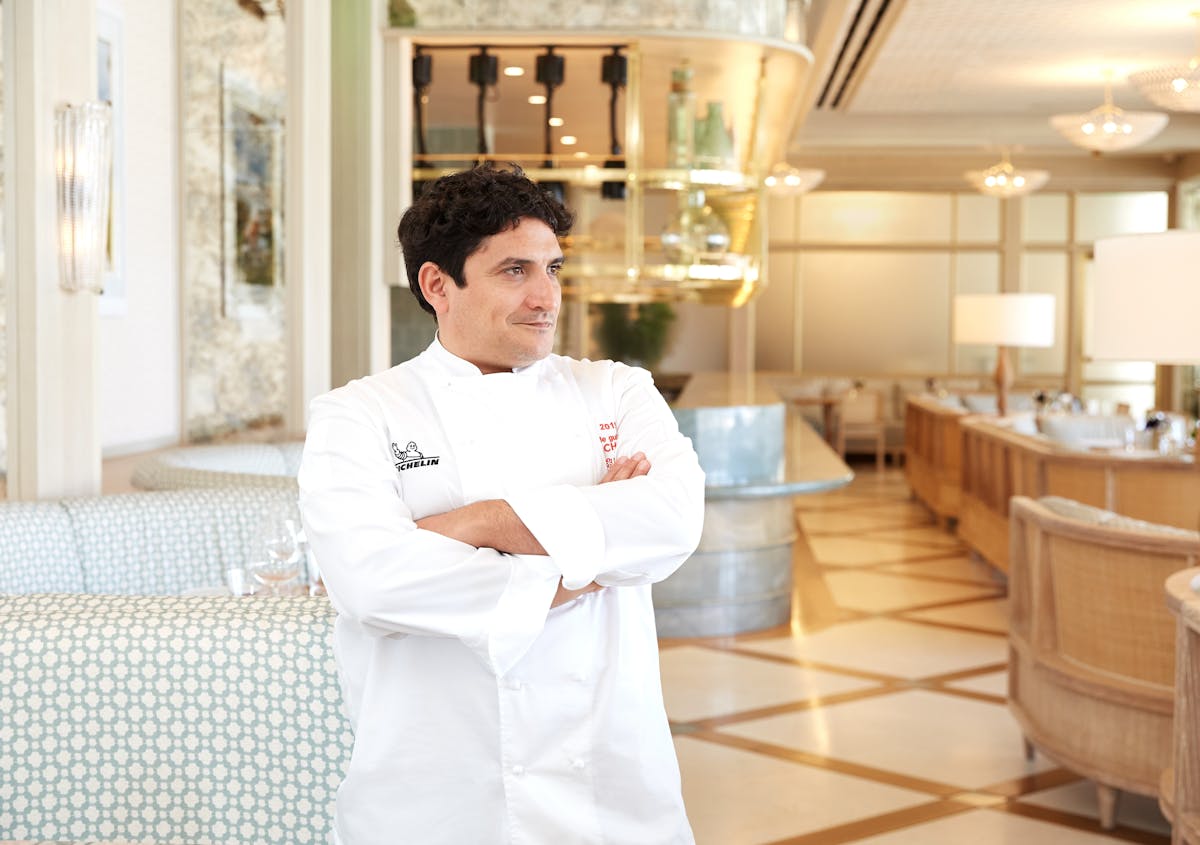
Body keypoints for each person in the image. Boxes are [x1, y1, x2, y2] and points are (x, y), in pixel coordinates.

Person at [297, 162, 705, 845]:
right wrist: (596, 551)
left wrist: (470, 525)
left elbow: (672, 520)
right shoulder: (356, 415)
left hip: (609, 793)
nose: (546, 296)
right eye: (516, 270)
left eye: (554, 268)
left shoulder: (616, 390)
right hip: (437, 794)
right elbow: (371, 580)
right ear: (437, 284)